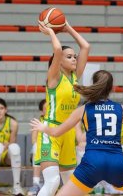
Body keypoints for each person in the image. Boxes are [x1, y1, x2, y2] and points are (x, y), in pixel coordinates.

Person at [30, 70, 123, 196]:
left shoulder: (83, 110)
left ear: (93, 84)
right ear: (111, 88)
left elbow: (56, 132)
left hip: (92, 163)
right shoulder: (121, 109)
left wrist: (43, 128)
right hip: (116, 162)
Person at [34, 19, 90, 196]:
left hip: (68, 132)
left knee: (70, 185)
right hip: (50, 131)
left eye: (74, 56)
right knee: (52, 182)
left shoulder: (75, 77)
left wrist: (67, 28)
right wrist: (51, 31)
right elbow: (57, 50)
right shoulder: (54, 77)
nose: (74, 58)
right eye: (69, 56)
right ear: (59, 61)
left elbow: (86, 47)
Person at [28, 99, 46, 195]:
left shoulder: (58, 120)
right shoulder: (37, 122)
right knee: (36, 147)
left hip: (56, 150)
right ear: (41, 111)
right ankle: (36, 183)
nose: (48, 110)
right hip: (42, 150)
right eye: (46, 108)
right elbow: (34, 139)